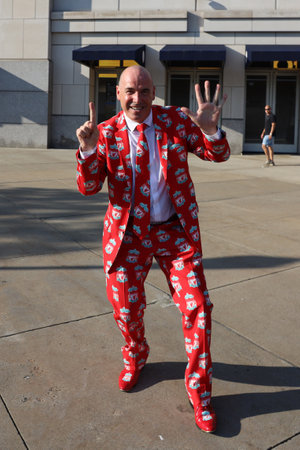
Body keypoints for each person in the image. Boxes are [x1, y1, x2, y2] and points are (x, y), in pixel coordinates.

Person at [76, 65, 230, 433]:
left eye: (144, 91)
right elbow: (89, 187)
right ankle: (135, 352)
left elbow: (217, 155)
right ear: (118, 94)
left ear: (154, 93)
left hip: (175, 234)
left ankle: (199, 391)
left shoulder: (176, 121)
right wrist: (86, 150)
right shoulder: (106, 133)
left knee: (198, 307)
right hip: (128, 236)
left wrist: (209, 130)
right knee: (126, 309)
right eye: (130, 91)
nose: (137, 99)